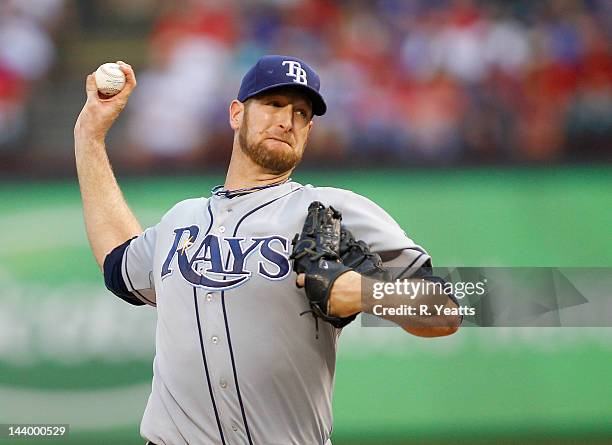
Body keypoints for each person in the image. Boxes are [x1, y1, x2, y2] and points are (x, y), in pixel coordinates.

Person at [74, 55, 461, 445]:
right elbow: (118, 263)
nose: (286, 120)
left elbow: (445, 312)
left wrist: (363, 292)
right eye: (273, 104)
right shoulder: (181, 220)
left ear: (308, 130)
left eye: (301, 112)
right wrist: (89, 135)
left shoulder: (333, 210)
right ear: (236, 113)